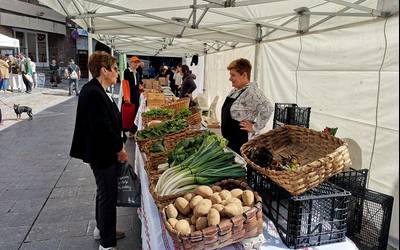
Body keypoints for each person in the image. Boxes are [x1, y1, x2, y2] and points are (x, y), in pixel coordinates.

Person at [70, 51, 127, 250]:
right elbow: (103, 128)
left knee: (104, 192)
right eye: (115, 69)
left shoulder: (98, 89)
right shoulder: (93, 92)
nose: (117, 73)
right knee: (108, 194)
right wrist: (119, 148)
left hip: (102, 151)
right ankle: (107, 243)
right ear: (104, 70)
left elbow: (109, 122)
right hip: (101, 153)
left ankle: (103, 230)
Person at [221, 58, 273, 154]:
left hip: (240, 140)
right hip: (230, 139)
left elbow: (268, 108)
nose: (230, 78)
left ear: (244, 75)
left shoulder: (252, 92)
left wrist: (255, 127)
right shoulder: (235, 91)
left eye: (233, 75)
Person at [123, 56, 143, 133]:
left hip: (136, 95)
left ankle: (134, 129)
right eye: (135, 62)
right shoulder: (127, 71)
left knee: (135, 111)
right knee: (129, 112)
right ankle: (128, 128)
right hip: (129, 95)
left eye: (137, 63)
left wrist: (140, 87)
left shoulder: (137, 73)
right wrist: (127, 97)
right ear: (130, 63)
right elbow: (126, 85)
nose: (136, 64)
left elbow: (137, 84)